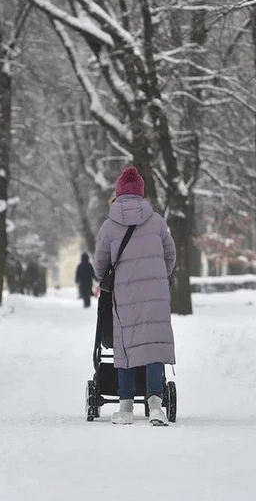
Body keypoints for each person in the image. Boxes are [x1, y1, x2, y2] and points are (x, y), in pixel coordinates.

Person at [94, 166, 176, 426]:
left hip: (124, 294)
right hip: (156, 293)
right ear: (141, 194)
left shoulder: (109, 226)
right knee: (153, 346)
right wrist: (159, 276)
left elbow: (99, 266)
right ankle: (155, 406)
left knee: (125, 345)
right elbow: (170, 256)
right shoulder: (158, 222)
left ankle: (126, 408)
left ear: (118, 194)